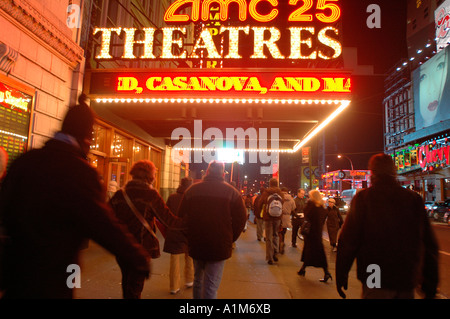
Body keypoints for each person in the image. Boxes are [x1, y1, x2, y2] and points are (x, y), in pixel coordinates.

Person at [0, 95, 150, 299]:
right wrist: (137, 256)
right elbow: (102, 223)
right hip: (54, 277)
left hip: (16, 274)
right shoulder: (80, 172)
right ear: (86, 136)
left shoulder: (25, 161)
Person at [336, 153, 439, 299]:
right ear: (394, 171)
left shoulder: (364, 199)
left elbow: (348, 241)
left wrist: (341, 273)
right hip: (405, 274)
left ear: (373, 173)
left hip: (374, 272)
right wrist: (430, 283)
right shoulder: (412, 199)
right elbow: (429, 245)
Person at [109, 160, 184, 299]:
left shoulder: (120, 194)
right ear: (149, 176)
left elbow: (108, 217)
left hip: (122, 246)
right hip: (141, 247)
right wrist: (191, 222)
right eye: (154, 174)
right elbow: (169, 220)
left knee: (127, 281)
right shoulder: (151, 195)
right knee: (136, 286)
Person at [177, 161, 247, 299]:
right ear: (222, 174)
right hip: (219, 244)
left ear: (207, 172)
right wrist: (230, 237)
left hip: (196, 242)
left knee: (198, 280)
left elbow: (181, 216)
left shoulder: (192, 190)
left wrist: (188, 235)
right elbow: (241, 219)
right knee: (210, 285)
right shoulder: (232, 192)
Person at [163, 177, 194, 295]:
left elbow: (166, 214)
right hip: (188, 231)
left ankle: (174, 286)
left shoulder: (172, 197)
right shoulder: (192, 199)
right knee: (190, 255)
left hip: (174, 230)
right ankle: (189, 280)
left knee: (174, 258)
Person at [297, 190, 331, 283]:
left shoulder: (311, 205)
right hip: (318, 233)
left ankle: (304, 269)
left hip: (311, 232)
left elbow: (306, 214)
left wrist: (308, 203)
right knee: (318, 253)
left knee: (309, 251)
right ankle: (325, 271)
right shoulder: (322, 208)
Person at [260, 178, 284, 265]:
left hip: (268, 217)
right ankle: (275, 252)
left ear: (270, 184)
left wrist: (260, 214)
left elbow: (260, 202)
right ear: (277, 184)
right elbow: (283, 203)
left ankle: (269, 257)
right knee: (276, 235)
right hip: (278, 217)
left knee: (269, 237)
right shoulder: (280, 192)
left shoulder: (266, 192)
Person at [279, 187, 295, 254]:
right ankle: (282, 241)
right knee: (284, 231)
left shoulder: (279, 197)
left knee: (278, 231)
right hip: (287, 217)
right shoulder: (291, 199)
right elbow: (294, 208)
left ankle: (279, 243)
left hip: (279, 216)